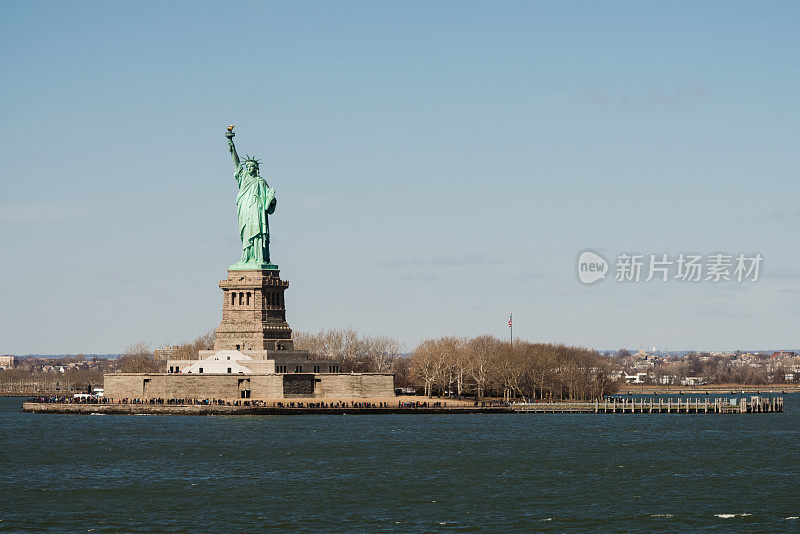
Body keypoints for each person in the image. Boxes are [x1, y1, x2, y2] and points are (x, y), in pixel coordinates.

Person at [226, 133, 277, 267]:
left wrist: (271, 200)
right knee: (247, 233)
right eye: (247, 166)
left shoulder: (261, 182)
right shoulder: (243, 178)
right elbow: (236, 163)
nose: (248, 168)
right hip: (245, 209)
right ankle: (247, 257)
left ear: (256, 169)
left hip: (257, 211)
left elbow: (269, 200)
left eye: (251, 166)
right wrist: (232, 146)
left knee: (258, 233)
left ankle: (259, 258)